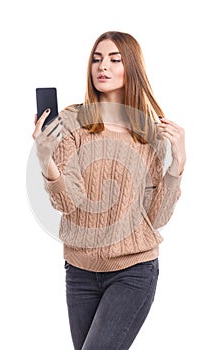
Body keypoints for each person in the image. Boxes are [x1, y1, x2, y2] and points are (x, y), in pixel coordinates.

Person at [32, 31, 186, 350]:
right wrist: (46, 159)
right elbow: (67, 201)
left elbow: (155, 217)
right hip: (79, 272)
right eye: (97, 59)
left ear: (131, 68)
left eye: (115, 59)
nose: (103, 66)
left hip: (134, 271)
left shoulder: (149, 135)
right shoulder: (73, 121)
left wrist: (178, 164)